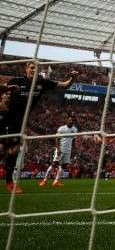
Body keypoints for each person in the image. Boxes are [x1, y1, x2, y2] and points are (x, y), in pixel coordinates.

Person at [2, 62, 77, 193]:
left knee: (13, 151)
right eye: (32, 67)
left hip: (19, 123)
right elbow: (3, 92)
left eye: (36, 68)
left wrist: (73, 78)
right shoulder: (16, 81)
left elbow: (64, 85)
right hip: (5, 118)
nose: (34, 70)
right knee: (4, 150)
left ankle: (9, 183)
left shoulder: (41, 83)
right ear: (26, 69)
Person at [39, 115, 77, 188]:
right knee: (54, 164)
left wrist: (73, 149)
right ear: (67, 120)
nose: (71, 121)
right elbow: (57, 139)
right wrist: (58, 148)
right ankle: (44, 180)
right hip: (61, 149)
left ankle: (56, 181)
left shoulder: (75, 129)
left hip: (68, 150)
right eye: (70, 120)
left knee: (64, 166)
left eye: (73, 120)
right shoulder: (62, 129)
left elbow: (74, 140)